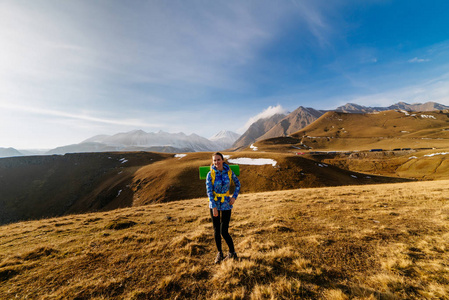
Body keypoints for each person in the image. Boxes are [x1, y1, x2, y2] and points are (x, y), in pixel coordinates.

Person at [206, 152, 241, 264]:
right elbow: (209, 191)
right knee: (216, 230)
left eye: (218, 160)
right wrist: (214, 207)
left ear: (222, 160)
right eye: (215, 160)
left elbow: (238, 184)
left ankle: (232, 253)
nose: (217, 162)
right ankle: (219, 253)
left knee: (224, 231)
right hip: (214, 204)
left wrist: (234, 197)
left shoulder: (229, 172)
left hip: (226, 204)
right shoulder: (210, 174)